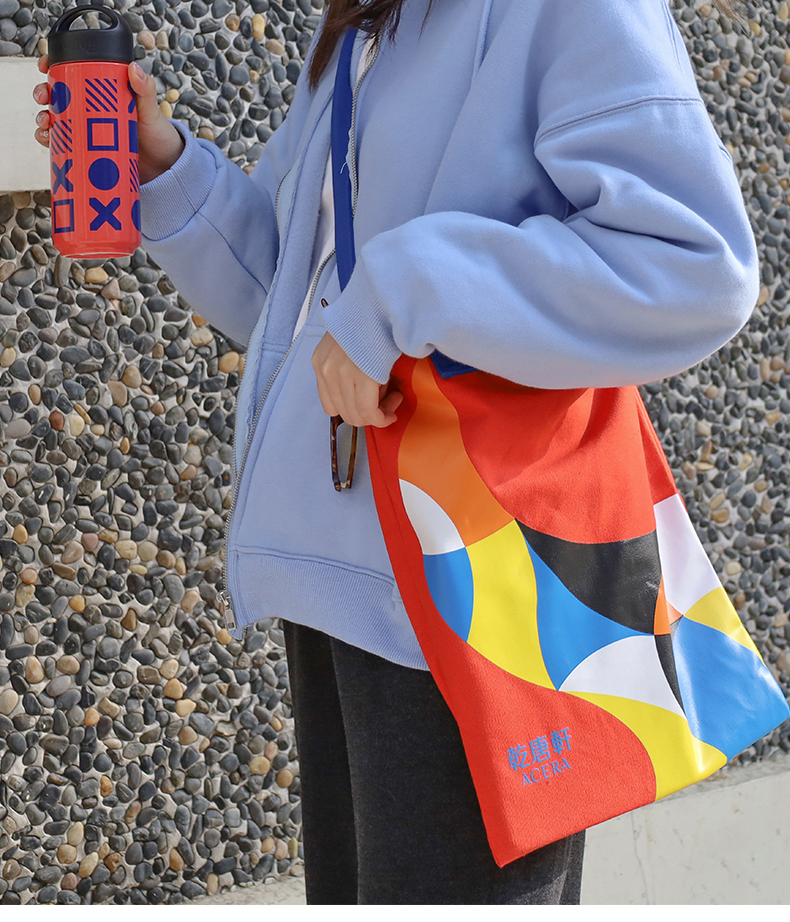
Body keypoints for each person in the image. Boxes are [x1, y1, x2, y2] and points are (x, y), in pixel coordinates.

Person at [35, 0, 758, 905]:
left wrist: (404, 288)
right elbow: (299, 308)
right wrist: (168, 170)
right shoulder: (362, 21)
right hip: (344, 572)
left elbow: (694, 262)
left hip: (475, 582)